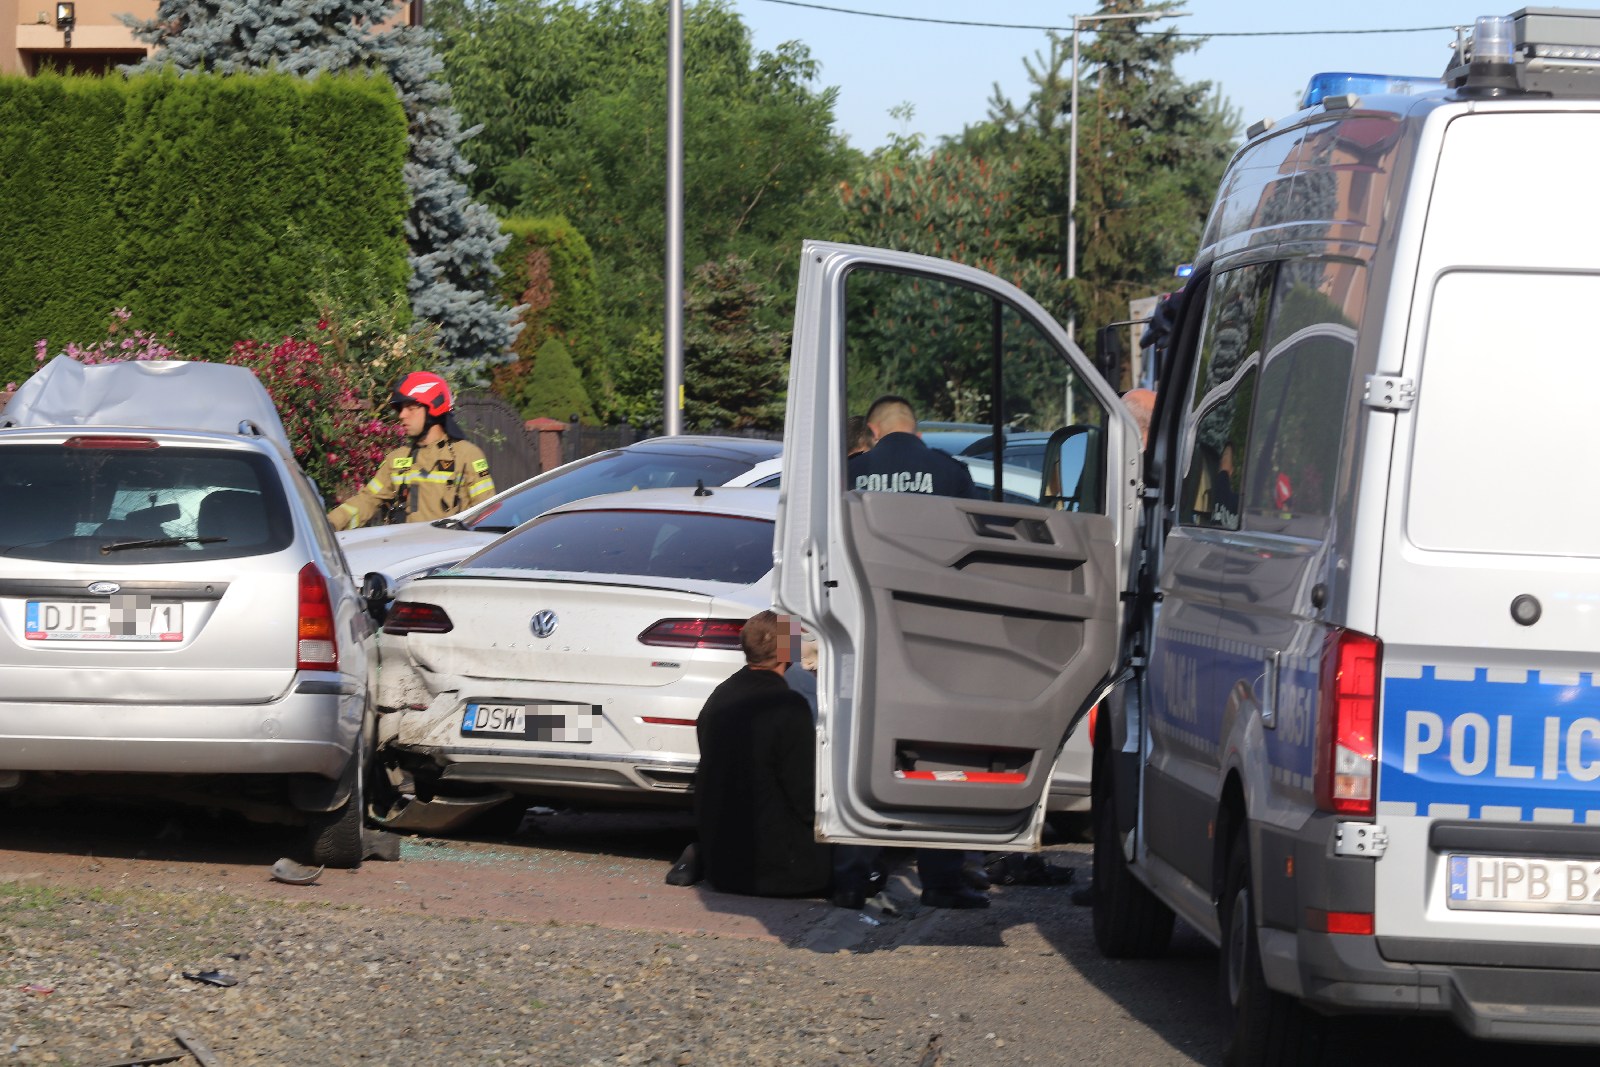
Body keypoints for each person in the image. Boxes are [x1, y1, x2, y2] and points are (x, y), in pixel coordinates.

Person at [846, 393, 989, 909]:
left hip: (866, 631)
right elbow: (977, 549)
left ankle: (852, 877)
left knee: (855, 750)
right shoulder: (947, 471)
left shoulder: (852, 473)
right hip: (934, 634)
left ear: (875, 432)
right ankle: (942, 879)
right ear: (917, 431)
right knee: (935, 757)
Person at [693, 610, 831, 898]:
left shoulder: (721, 695)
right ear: (789, 652)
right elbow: (804, 793)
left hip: (722, 867)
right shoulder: (788, 705)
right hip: (779, 872)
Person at [327, 372, 495, 531]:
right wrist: (328, 525)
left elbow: (488, 513)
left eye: (411, 407)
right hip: (408, 554)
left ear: (433, 408)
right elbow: (367, 500)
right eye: (401, 409)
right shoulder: (397, 459)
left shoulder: (467, 456)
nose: (402, 415)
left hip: (451, 556)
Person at [847, 394, 976, 499]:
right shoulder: (951, 470)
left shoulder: (849, 471)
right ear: (917, 433)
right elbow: (974, 523)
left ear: (873, 431)